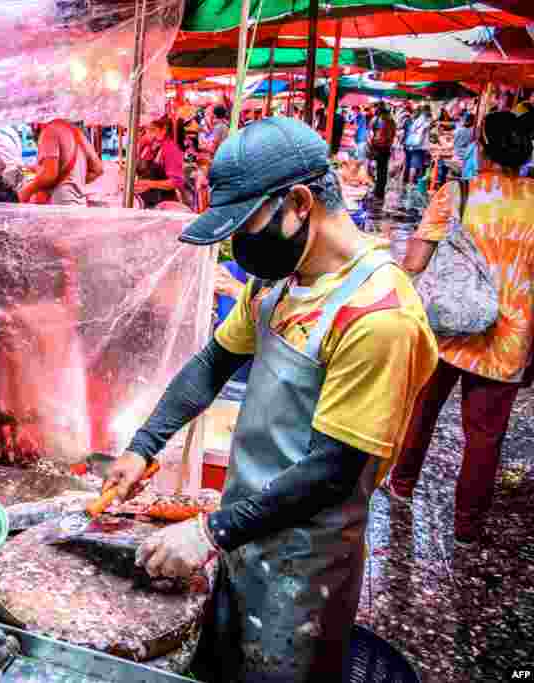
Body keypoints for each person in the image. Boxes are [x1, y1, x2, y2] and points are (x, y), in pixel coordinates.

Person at [103, 117, 438, 682]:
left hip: (306, 561)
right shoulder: (280, 280)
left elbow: (333, 471)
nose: (239, 245)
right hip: (244, 527)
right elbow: (213, 363)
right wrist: (143, 445)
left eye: (246, 224)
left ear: (300, 203)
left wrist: (209, 532)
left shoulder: (379, 317)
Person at [394, 111, 534, 546]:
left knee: (422, 411)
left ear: (483, 149)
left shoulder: (458, 193)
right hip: (510, 339)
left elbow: (415, 262)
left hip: (449, 329)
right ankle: (468, 530)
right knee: (485, 439)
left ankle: (401, 485)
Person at [18, 119, 102, 205]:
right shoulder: (76, 131)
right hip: (80, 203)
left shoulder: (49, 131)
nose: (32, 128)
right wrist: (74, 183)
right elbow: (98, 169)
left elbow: (48, 175)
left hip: (60, 204)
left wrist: (25, 192)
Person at [134, 116, 185, 208]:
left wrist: (149, 184)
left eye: (152, 130)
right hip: (144, 201)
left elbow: (176, 182)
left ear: (164, 129)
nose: (148, 134)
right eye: (146, 129)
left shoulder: (170, 149)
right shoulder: (149, 146)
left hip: (161, 204)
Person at [369, 103, 396, 200]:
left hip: (377, 147)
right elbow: (393, 134)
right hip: (385, 148)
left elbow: (371, 135)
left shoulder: (376, 120)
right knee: (382, 171)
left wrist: (372, 145)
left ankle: (376, 190)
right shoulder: (391, 121)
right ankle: (379, 192)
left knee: (374, 169)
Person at [403, 104, 432, 186]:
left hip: (412, 145)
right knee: (415, 165)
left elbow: (412, 130)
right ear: (426, 111)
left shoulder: (416, 119)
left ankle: (410, 181)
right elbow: (423, 130)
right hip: (419, 146)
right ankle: (411, 182)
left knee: (412, 164)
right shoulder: (424, 120)